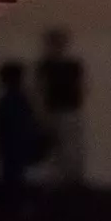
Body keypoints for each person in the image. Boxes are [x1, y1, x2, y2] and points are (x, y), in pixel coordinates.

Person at [36, 26, 86, 182]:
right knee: (62, 145)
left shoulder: (52, 66)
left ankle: (68, 176)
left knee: (65, 145)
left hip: (64, 109)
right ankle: (66, 176)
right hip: (59, 109)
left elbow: (42, 88)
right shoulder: (55, 66)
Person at [0, 61, 46, 185]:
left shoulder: (6, 102)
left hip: (10, 145)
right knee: (16, 175)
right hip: (19, 145)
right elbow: (31, 123)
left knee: (10, 175)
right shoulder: (23, 101)